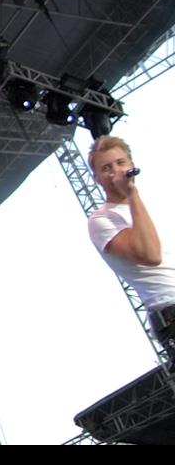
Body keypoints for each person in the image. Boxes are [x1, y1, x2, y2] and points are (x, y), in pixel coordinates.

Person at [87, 135, 175, 365]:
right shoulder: (102, 219)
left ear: (131, 165)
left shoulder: (154, 203)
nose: (115, 171)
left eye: (120, 163)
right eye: (106, 168)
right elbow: (151, 255)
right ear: (96, 178)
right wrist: (131, 194)